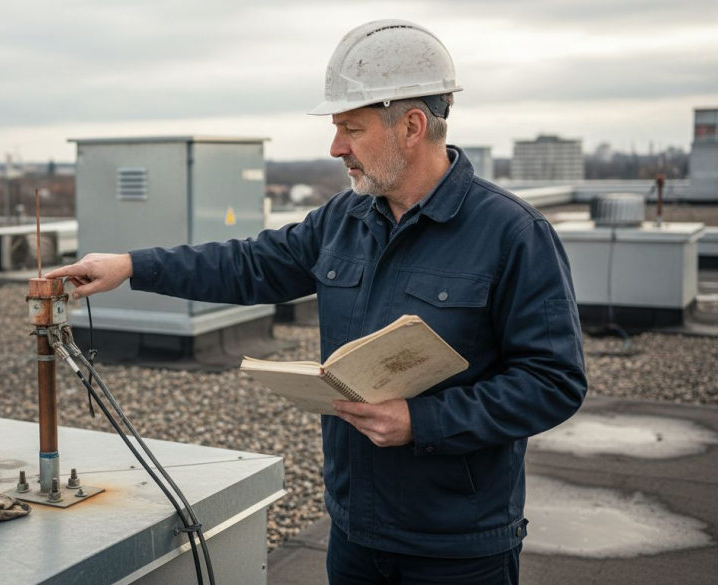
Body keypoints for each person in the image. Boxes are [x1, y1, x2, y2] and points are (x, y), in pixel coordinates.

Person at [47, 19, 587, 585]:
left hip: (457, 548)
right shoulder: (344, 219)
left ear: (411, 126)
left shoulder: (512, 233)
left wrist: (423, 421)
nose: (336, 148)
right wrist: (132, 266)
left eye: (351, 129)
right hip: (354, 532)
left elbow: (554, 381)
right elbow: (249, 264)